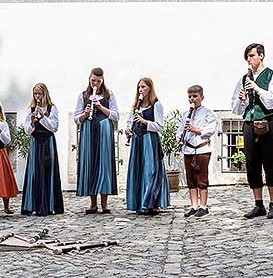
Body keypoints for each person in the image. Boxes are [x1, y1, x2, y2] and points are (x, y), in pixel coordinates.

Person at [231, 43, 273, 219]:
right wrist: (242, 100)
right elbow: (236, 109)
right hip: (249, 123)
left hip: (269, 122)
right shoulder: (243, 79)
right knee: (252, 163)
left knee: (270, 162)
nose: (249, 59)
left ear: (261, 56)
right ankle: (258, 204)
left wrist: (258, 89)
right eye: (247, 57)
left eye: (252, 55)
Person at [75, 68, 119, 213]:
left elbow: (115, 115)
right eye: (93, 80)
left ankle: (105, 204)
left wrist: (100, 106)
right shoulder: (83, 95)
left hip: (104, 133)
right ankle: (93, 204)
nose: (96, 83)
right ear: (89, 79)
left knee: (104, 164)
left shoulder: (109, 95)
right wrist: (85, 113)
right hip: (88, 132)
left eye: (99, 81)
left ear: (103, 80)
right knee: (90, 163)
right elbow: (77, 118)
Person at [124, 77, 169, 215]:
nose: (140, 90)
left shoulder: (156, 104)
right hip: (137, 141)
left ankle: (150, 203)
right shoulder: (135, 106)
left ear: (150, 88)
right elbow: (129, 121)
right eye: (139, 87)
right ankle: (139, 203)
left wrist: (144, 122)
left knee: (151, 171)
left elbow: (160, 126)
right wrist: (128, 129)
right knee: (138, 171)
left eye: (143, 87)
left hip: (150, 140)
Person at [22, 83, 64, 216]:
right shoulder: (30, 109)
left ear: (45, 94)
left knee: (48, 171)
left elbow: (54, 127)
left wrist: (43, 117)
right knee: (35, 172)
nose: (37, 96)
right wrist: (32, 121)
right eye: (35, 94)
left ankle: (49, 205)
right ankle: (34, 205)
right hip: (35, 142)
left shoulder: (52, 109)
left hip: (47, 142)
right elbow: (27, 131)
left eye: (40, 93)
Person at [177, 85, 218, 218]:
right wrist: (180, 136)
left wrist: (195, 129)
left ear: (202, 97)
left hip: (202, 149)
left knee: (202, 178)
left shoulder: (208, 113)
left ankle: (203, 206)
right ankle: (194, 206)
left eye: (195, 96)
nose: (192, 99)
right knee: (191, 179)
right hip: (188, 149)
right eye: (190, 96)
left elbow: (211, 129)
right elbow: (180, 130)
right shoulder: (185, 114)